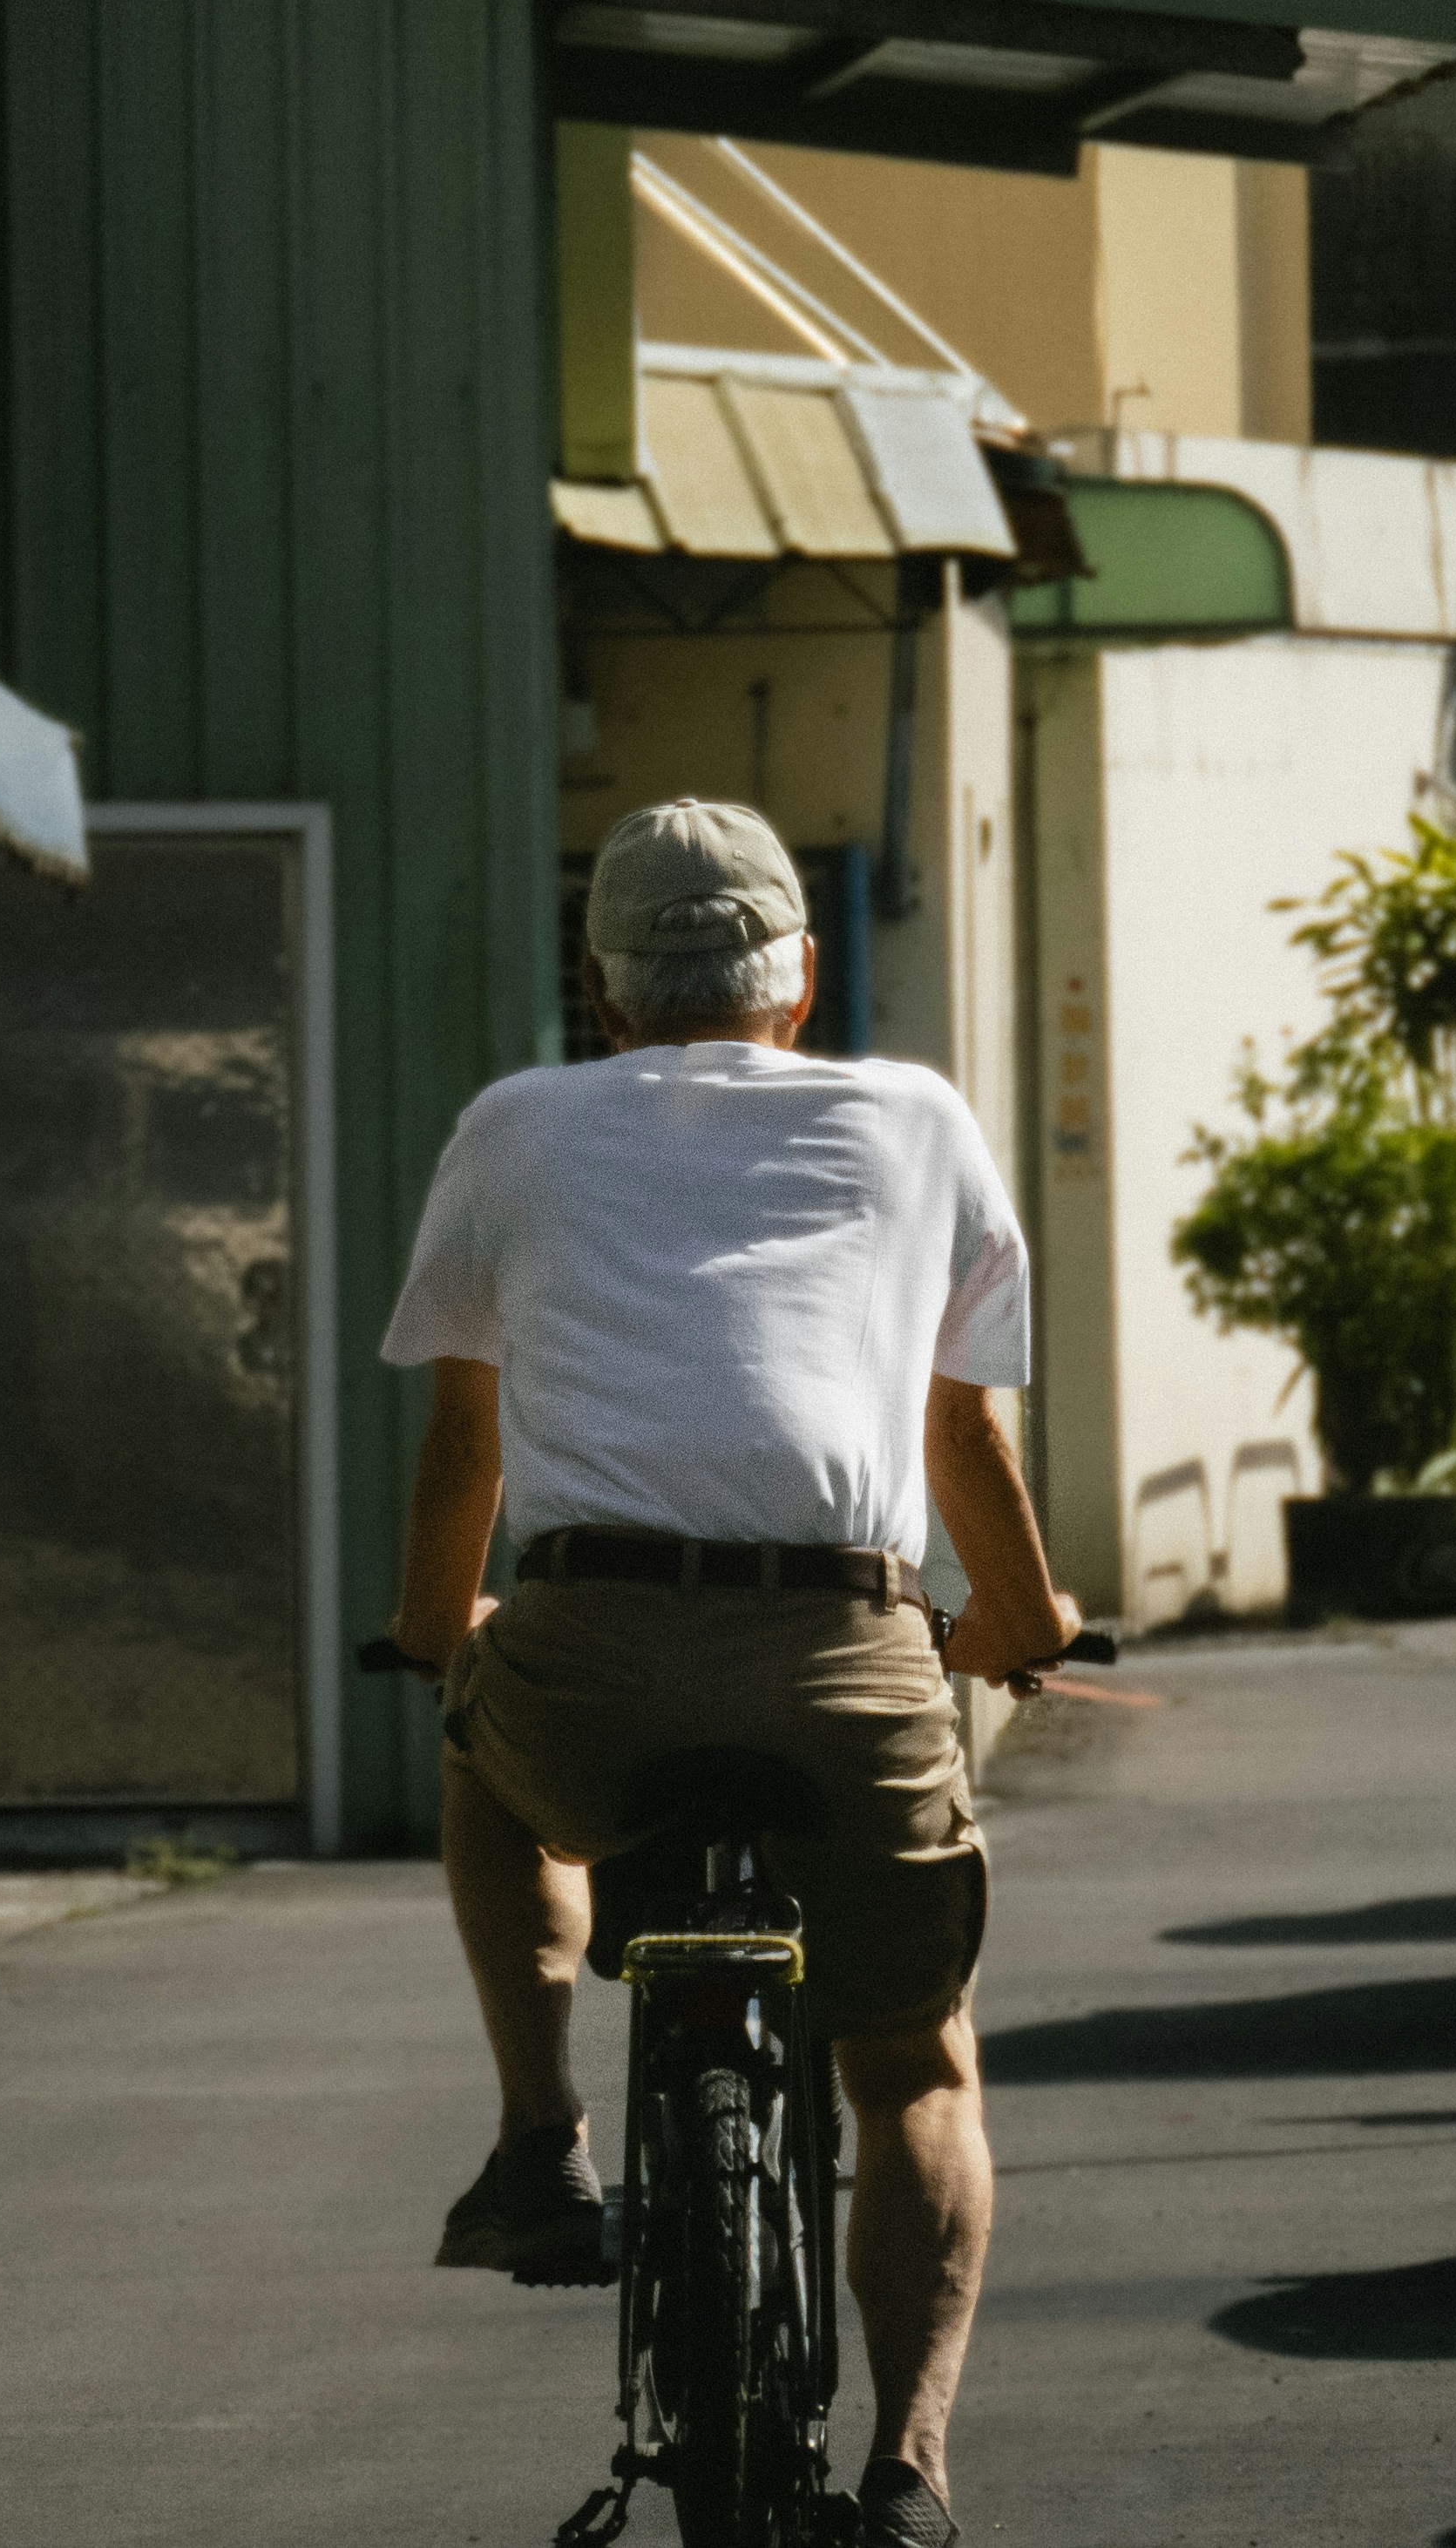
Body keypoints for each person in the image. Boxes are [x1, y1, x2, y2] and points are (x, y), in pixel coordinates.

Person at [383, 798, 1079, 2548]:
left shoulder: (516, 1127)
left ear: (605, 991)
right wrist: (1031, 1616)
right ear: (804, 978)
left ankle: (543, 2140)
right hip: (846, 1645)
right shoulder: (912, 1118)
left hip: (590, 1649)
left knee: (486, 1742)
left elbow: (462, 1433)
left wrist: (431, 1628)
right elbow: (965, 1436)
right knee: (914, 2063)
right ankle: (912, 2472)